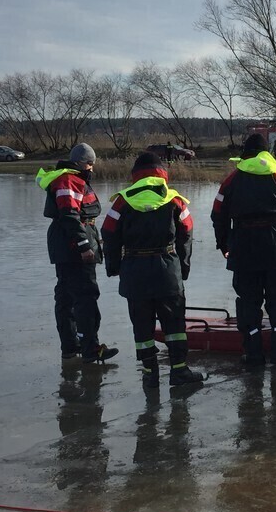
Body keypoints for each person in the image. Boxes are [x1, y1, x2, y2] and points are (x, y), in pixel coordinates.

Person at [101, 152, 204, 388]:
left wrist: (114, 267)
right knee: (175, 325)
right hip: (167, 270)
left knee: (142, 325)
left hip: (135, 273)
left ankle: (150, 373)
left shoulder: (122, 201)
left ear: (135, 175)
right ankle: (179, 371)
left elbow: (108, 232)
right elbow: (186, 230)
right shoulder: (174, 199)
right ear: (162, 175)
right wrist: (183, 268)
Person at [211, 133, 276, 365]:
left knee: (248, 300)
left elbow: (218, 214)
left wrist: (224, 244)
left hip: (244, 245)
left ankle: (253, 352)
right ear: (267, 153)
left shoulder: (232, 180)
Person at [36, 143, 119, 363]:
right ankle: (90, 347)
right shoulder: (69, 179)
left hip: (65, 244)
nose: (92, 168)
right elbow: (70, 215)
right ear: (81, 162)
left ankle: (71, 347)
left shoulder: (68, 178)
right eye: (90, 163)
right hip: (72, 246)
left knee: (66, 296)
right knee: (85, 296)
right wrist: (84, 245)